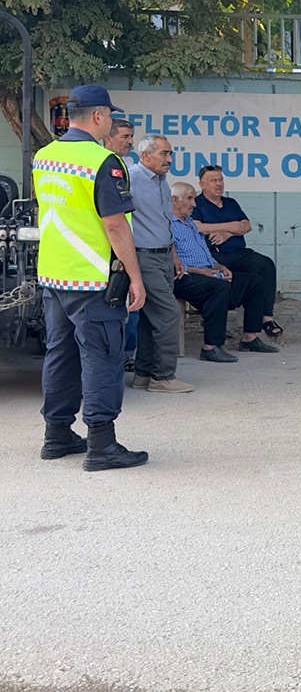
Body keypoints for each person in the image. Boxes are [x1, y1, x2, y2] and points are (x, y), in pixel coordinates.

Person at [32, 84, 148, 471]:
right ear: (99, 116)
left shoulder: (44, 156)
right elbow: (115, 225)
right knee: (102, 358)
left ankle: (57, 435)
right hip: (94, 280)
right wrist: (135, 276)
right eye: (111, 116)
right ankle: (101, 444)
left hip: (55, 275)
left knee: (60, 356)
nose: (113, 122)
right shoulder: (103, 162)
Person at [171, 183, 279, 360]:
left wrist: (220, 267)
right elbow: (172, 262)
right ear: (174, 200)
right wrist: (203, 272)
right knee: (219, 287)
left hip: (207, 271)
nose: (194, 204)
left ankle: (249, 338)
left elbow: (205, 254)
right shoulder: (166, 225)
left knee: (255, 282)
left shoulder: (190, 223)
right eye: (190, 198)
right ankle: (211, 347)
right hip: (186, 276)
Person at [128, 134, 197, 392]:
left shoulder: (162, 182)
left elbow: (166, 222)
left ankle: (144, 374)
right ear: (145, 156)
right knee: (169, 314)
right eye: (164, 154)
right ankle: (163, 377)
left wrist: (175, 255)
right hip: (143, 256)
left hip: (164, 255)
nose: (169, 159)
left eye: (170, 154)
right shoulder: (131, 178)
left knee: (150, 318)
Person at [193, 165, 284, 337]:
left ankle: (266, 318)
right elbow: (197, 227)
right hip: (214, 256)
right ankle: (218, 320)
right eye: (213, 180)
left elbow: (247, 226)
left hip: (238, 252)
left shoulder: (231, 203)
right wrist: (231, 226)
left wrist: (226, 234)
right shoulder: (197, 204)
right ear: (202, 185)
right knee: (225, 277)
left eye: (221, 180)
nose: (219, 184)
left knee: (265, 265)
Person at [105, 119, 139, 364]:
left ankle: (127, 354)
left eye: (131, 136)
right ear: (109, 138)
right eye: (125, 136)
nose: (130, 141)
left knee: (131, 307)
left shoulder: (128, 165)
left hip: (126, 244)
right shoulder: (101, 165)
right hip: (105, 249)